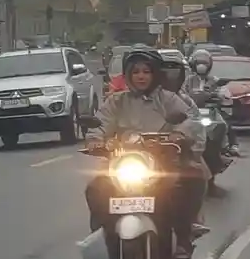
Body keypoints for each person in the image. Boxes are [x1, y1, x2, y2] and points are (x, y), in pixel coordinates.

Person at [85, 48, 208, 258]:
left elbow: (191, 122)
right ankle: (103, 232)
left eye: (146, 71)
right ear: (128, 75)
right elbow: (101, 123)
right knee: (96, 188)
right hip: (123, 162)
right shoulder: (117, 101)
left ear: (155, 74)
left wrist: (178, 135)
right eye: (136, 72)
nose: (141, 76)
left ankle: (183, 236)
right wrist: (96, 140)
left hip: (165, 162)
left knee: (193, 179)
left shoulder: (169, 99)